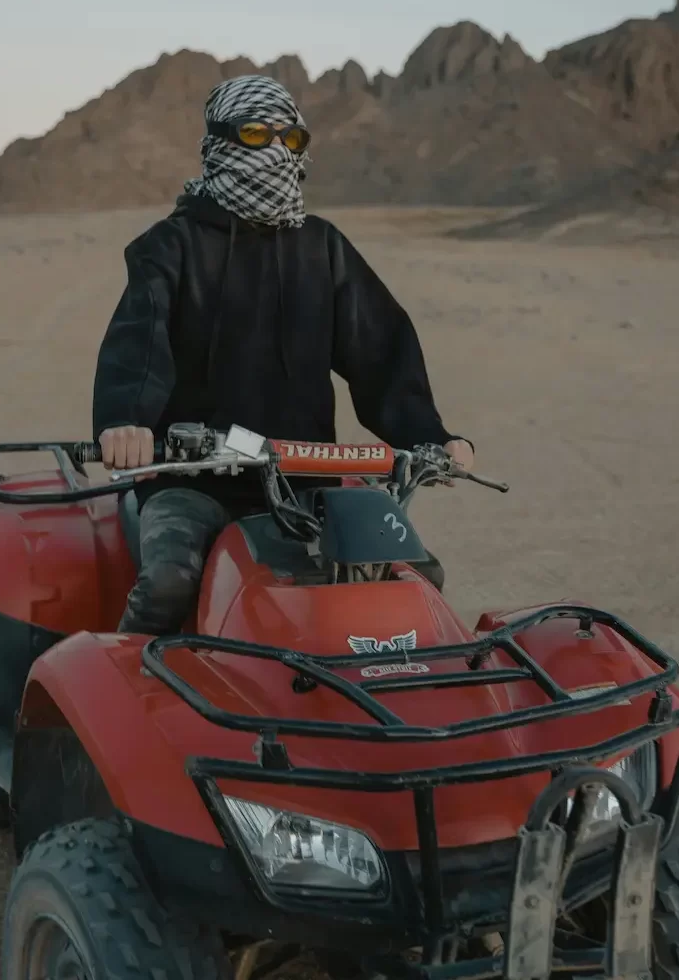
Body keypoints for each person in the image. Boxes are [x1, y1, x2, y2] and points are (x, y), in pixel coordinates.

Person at [92, 74, 474, 635]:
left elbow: (380, 347)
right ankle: (126, 702)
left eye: (290, 139)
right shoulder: (169, 247)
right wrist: (125, 422)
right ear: (220, 143)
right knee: (170, 583)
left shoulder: (321, 246)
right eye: (254, 134)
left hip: (307, 478)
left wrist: (431, 435)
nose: (274, 150)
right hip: (195, 479)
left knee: (414, 577)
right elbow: (138, 345)